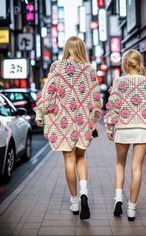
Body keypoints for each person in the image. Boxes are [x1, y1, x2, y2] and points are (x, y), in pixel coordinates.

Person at [35, 36, 102, 220]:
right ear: (81, 49)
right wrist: (95, 118)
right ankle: (84, 193)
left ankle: (74, 201)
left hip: (63, 123)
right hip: (82, 122)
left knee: (69, 160)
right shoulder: (89, 70)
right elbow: (96, 100)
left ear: (67, 49)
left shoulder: (57, 67)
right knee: (81, 157)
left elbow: (47, 95)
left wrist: (40, 114)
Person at [104, 49, 146, 221]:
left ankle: (118, 199)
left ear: (125, 64)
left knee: (119, 164)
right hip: (142, 130)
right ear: (139, 64)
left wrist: (109, 128)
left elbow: (112, 107)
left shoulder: (118, 82)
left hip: (123, 128)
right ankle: (131, 208)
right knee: (136, 168)